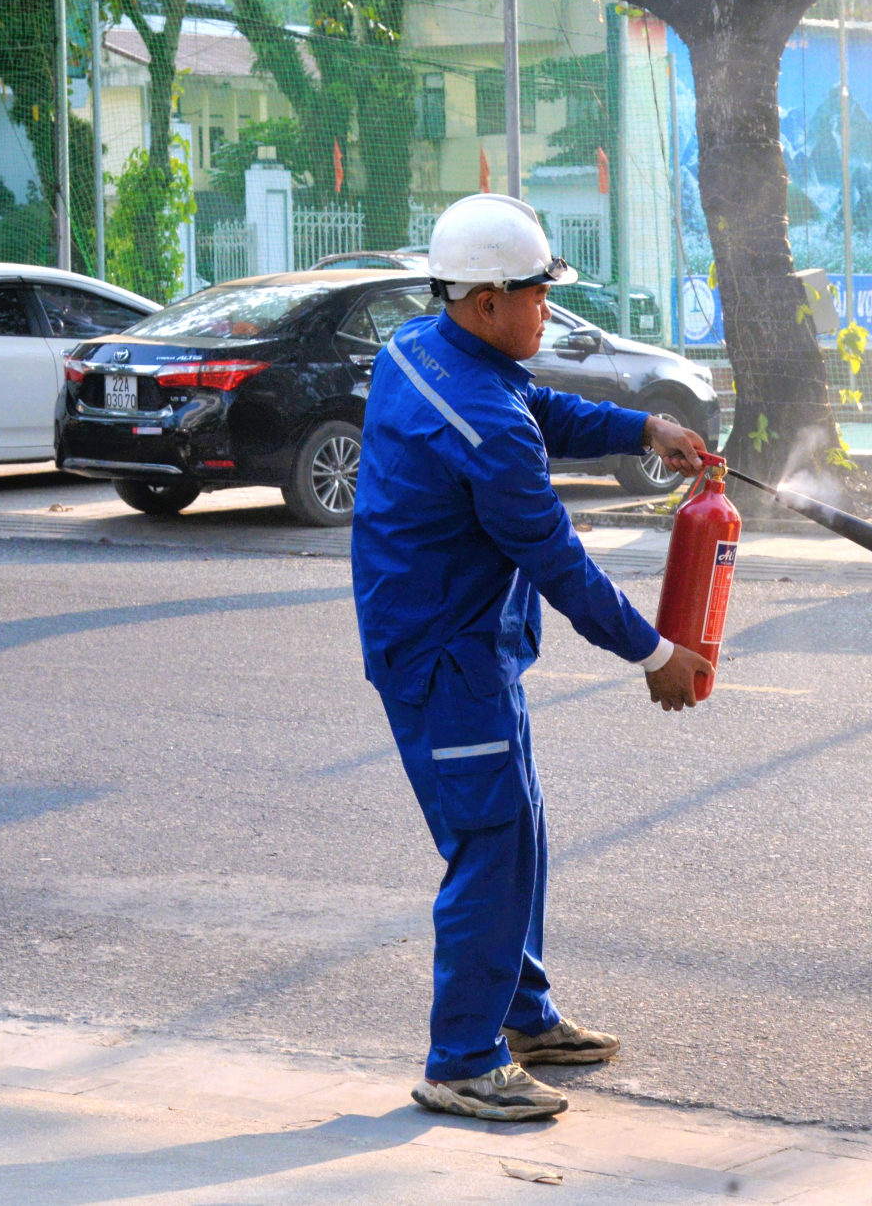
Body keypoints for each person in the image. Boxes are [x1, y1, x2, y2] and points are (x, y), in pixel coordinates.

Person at [350, 193, 713, 1123]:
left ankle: (522, 1014)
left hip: (468, 643)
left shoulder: (420, 350)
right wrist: (657, 652)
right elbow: (558, 560)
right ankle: (463, 1057)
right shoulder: (482, 419)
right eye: (538, 296)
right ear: (483, 302)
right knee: (492, 842)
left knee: (522, 829)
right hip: (443, 659)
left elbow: (538, 402)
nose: (548, 308)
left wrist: (643, 428)